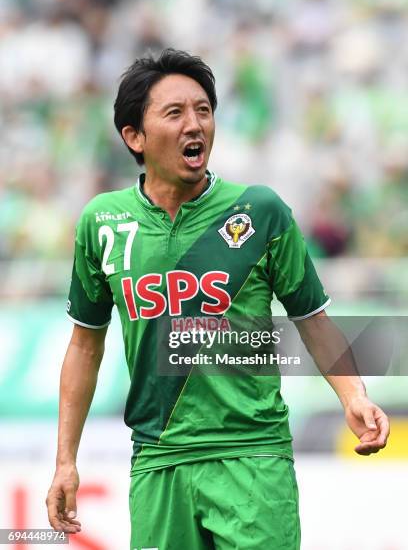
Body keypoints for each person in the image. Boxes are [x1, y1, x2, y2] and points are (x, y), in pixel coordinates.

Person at [46, 48, 389, 549]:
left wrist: (353, 395)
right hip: (158, 459)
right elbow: (84, 346)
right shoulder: (101, 222)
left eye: (204, 110)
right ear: (134, 137)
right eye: (176, 112)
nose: (196, 124)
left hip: (253, 456)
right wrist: (65, 461)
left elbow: (314, 320)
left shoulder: (260, 211)